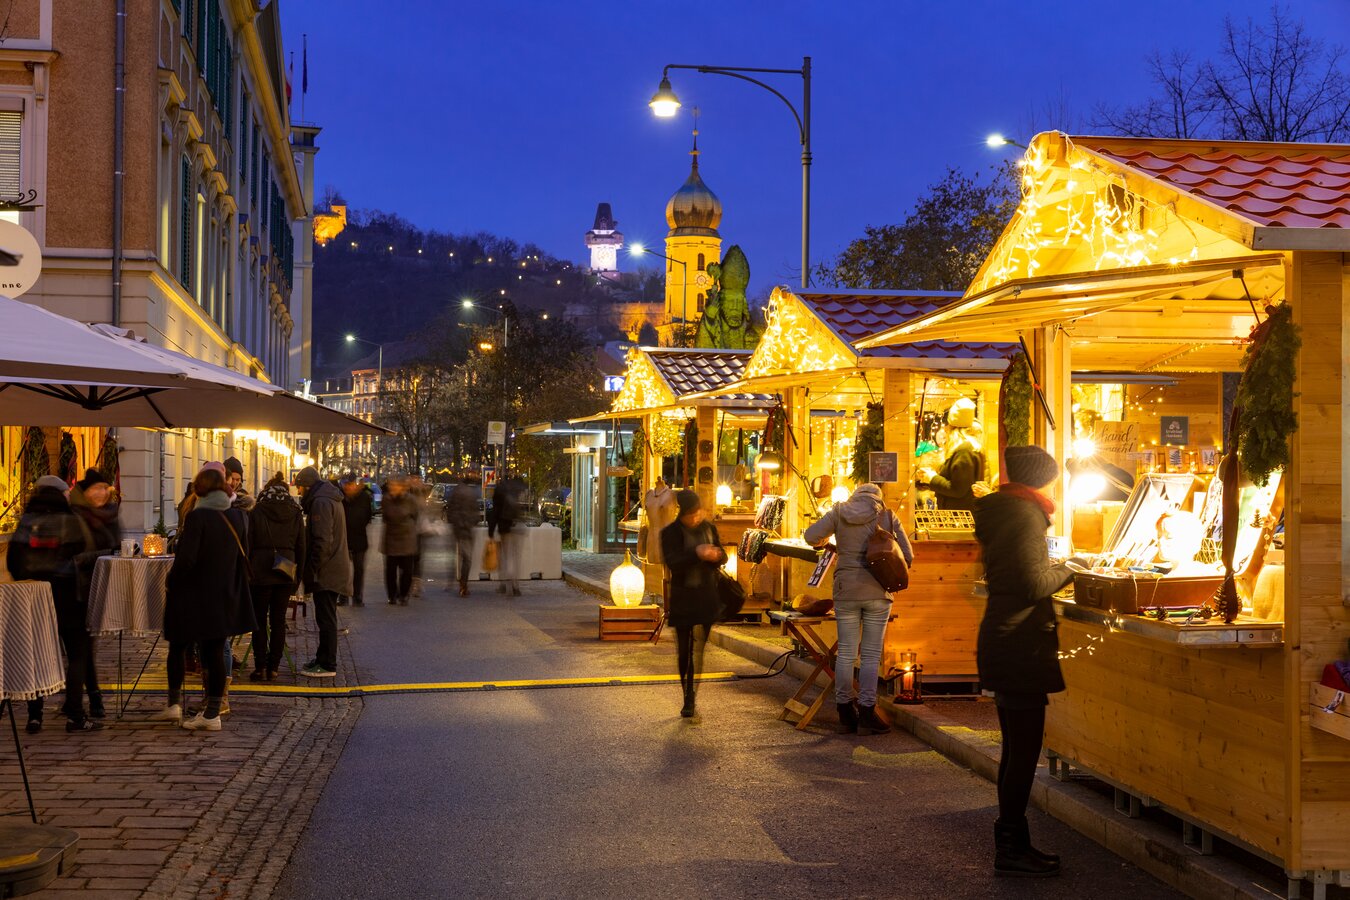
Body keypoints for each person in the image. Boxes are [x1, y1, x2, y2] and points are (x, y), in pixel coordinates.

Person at [973, 445, 1075, 878]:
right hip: (1019, 643)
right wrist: (1071, 567)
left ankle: (1014, 842)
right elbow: (1034, 583)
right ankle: (1011, 847)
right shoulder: (1025, 513)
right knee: (1023, 749)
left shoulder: (1002, 509)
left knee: (1016, 748)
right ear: (1042, 479)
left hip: (1003, 637)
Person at [804, 482, 912, 736]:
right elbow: (908, 554)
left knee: (846, 654)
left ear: (855, 495)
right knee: (871, 655)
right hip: (878, 593)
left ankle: (844, 710)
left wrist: (827, 543)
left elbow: (810, 536)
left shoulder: (839, 512)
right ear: (878, 497)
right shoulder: (887, 515)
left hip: (846, 591)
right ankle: (866, 710)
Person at [156, 467, 255, 731]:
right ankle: (212, 713)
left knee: (178, 645)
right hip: (225, 594)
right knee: (214, 651)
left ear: (200, 489)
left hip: (194, 594)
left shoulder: (199, 517)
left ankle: (174, 705)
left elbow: (186, 559)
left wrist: (171, 582)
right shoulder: (238, 516)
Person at [7, 475, 99, 733]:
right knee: (77, 654)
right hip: (68, 596)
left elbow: (13, 561)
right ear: (61, 494)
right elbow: (87, 556)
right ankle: (75, 715)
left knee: (36, 655)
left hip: (34, 599)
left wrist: (30, 581)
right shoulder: (72, 520)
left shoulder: (26, 521)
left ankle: (34, 717)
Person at [659, 490, 725, 719]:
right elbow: (673, 563)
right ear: (683, 513)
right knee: (685, 649)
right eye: (692, 514)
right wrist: (697, 553)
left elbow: (722, 555)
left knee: (699, 649)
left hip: (706, 596)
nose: (697, 517)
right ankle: (687, 696)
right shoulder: (671, 533)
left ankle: (692, 692)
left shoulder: (708, 528)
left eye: (699, 512)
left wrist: (717, 554)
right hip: (683, 596)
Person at [68, 467, 120, 721]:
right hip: (77, 590)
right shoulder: (75, 516)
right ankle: (90, 699)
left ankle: (77, 699)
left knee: (84, 648)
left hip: (99, 589)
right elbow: (73, 558)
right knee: (83, 648)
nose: (102, 493)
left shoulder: (110, 515)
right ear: (85, 491)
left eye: (105, 488)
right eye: (97, 488)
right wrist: (107, 554)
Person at [247, 473, 306, 682]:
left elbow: (249, 543)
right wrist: (298, 576)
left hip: (260, 571)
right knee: (279, 622)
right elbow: (301, 547)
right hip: (285, 570)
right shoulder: (295, 511)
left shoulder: (257, 510)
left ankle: (260, 667)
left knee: (260, 621)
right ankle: (274, 668)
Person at [295, 466, 351, 677]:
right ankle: (322, 658)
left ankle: (328, 664)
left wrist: (312, 570)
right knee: (325, 617)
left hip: (328, 570)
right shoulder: (328, 498)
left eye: (300, 488)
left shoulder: (320, 503)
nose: (299, 493)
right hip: (333, 566)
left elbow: (322, 541)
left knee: (326, 618)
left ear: (307, 486)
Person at [917, 399, 988, 512]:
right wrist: (929, 478)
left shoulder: (964, 451)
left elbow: (958, 489)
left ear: (951, 427)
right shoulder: (968, 449)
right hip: (961, 516)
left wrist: (932, 478)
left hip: (960, 519)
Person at [380, 475, 420, 605]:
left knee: (407, 570)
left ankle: (403, 594)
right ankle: (392, 595)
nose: (393, 488)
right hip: (391, 538)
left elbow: (415, 515)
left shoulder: (410, 500)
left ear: (402, 487)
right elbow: (385, 517)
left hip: (407, 539)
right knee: (390, 571)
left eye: (396, 485)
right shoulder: (386, 499)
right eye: (391, 485)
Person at [488, 476, 526, 597]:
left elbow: (495, 512)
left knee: (504, 557)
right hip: (518, 527)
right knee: (515, 558)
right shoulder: (517, 489)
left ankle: (505, 584)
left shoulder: (500, 490)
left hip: (505, 527)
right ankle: (516, 586)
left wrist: (491, 531)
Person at [341, 476, 374, 606]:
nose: (348, 488)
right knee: (343, 569)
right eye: (346, 485)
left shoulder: (364, 497)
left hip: (359, 538)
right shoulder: (341, 498)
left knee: (358, 569)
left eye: (351, 485)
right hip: (344, 538)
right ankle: (343, 595)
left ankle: (357, 596)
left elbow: (367, 516)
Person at [446, 475, 480, 596]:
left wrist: (455, 524)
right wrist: (472, 523)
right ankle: (463, 584)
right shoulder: (471, 494)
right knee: (467, 558)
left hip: (458, 529)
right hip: (466, 529)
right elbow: (475, 513)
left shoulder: (456, 491)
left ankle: (455, 581)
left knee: (459, 556)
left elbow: (450, 510)